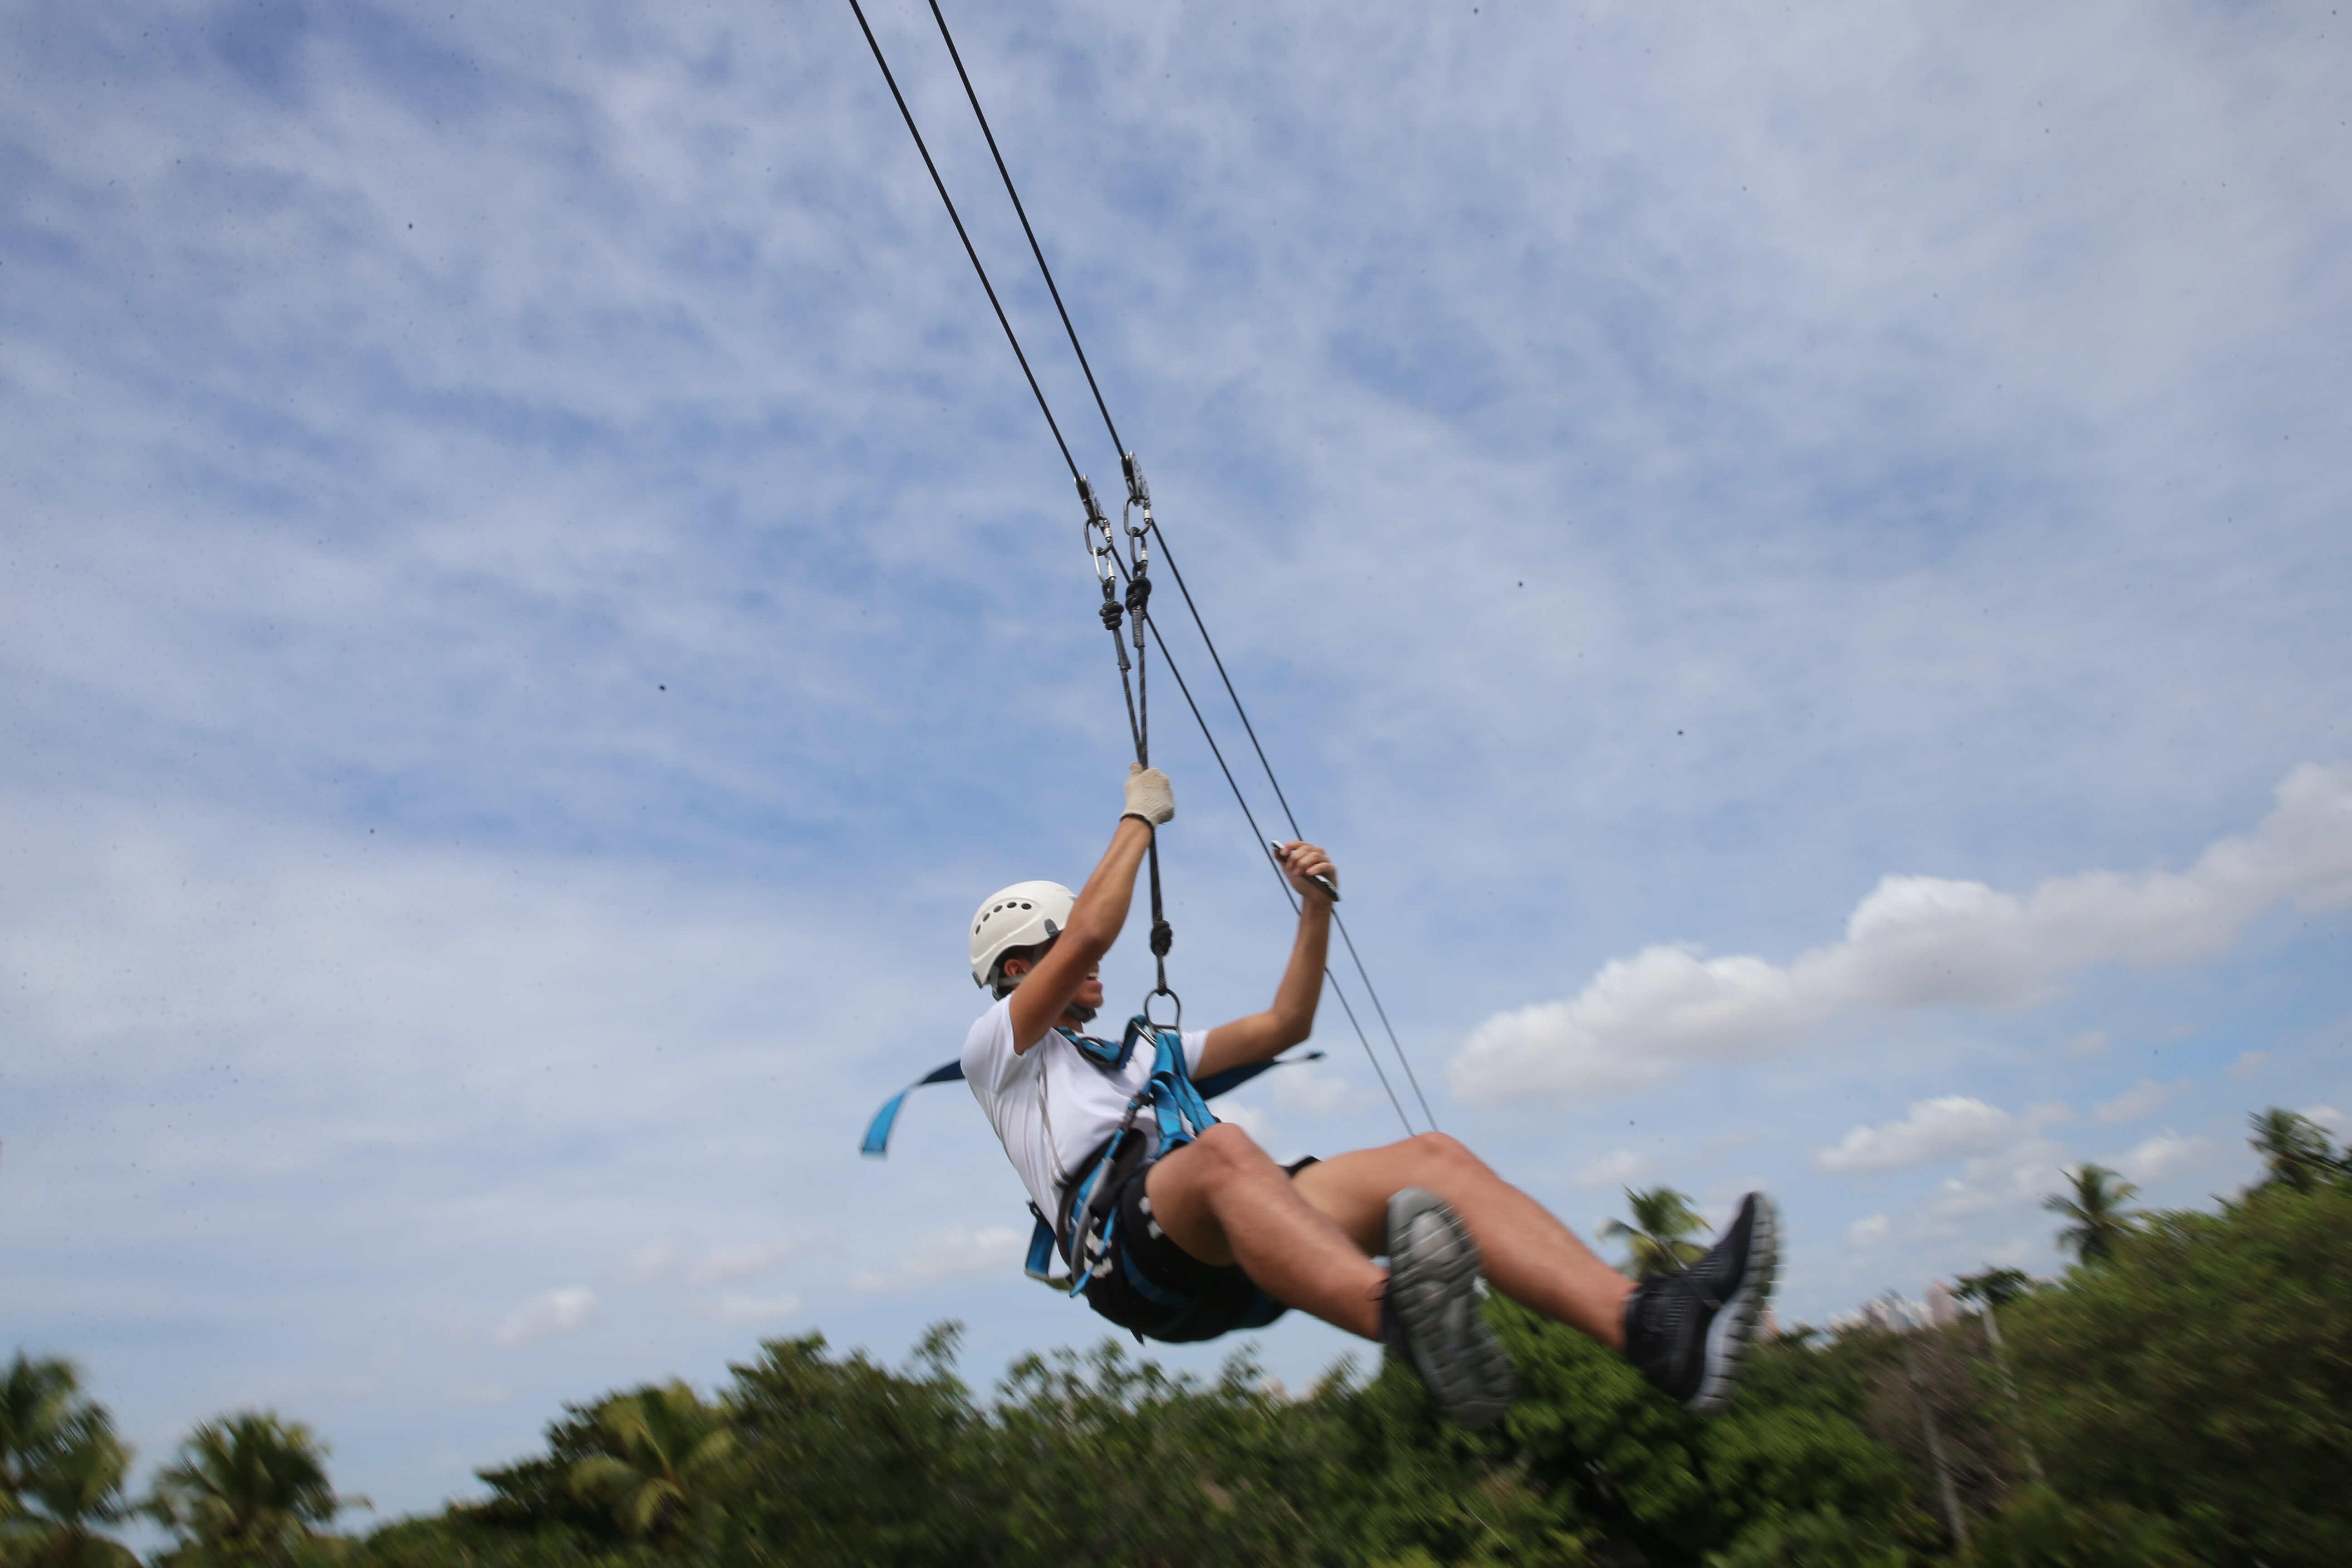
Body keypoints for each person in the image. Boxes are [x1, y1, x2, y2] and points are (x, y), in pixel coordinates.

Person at [961, 763, 1777, 1427]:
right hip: (1129, 1260)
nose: (1084, 954)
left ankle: (1655, 1330)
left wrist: (1314, 908)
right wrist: (1136, 819)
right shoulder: (998, 1050)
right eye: (1056, 943)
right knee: (1224, 1151)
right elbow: (1099, 930)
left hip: (1229, 1242)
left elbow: (1286, 1023)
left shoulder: (1144, 1056)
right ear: (1017, 971)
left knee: (1433, 1160)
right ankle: (1404, 1323)